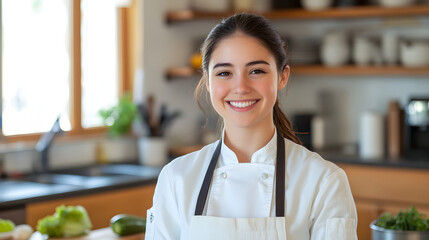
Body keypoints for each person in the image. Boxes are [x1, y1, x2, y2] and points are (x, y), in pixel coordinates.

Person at [145, 13, 358, 240]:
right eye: (224, 73)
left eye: (256, 71)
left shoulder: (323, 182)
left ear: (282, 77)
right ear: (208, 81)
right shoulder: (176, 179)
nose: (241, 87)